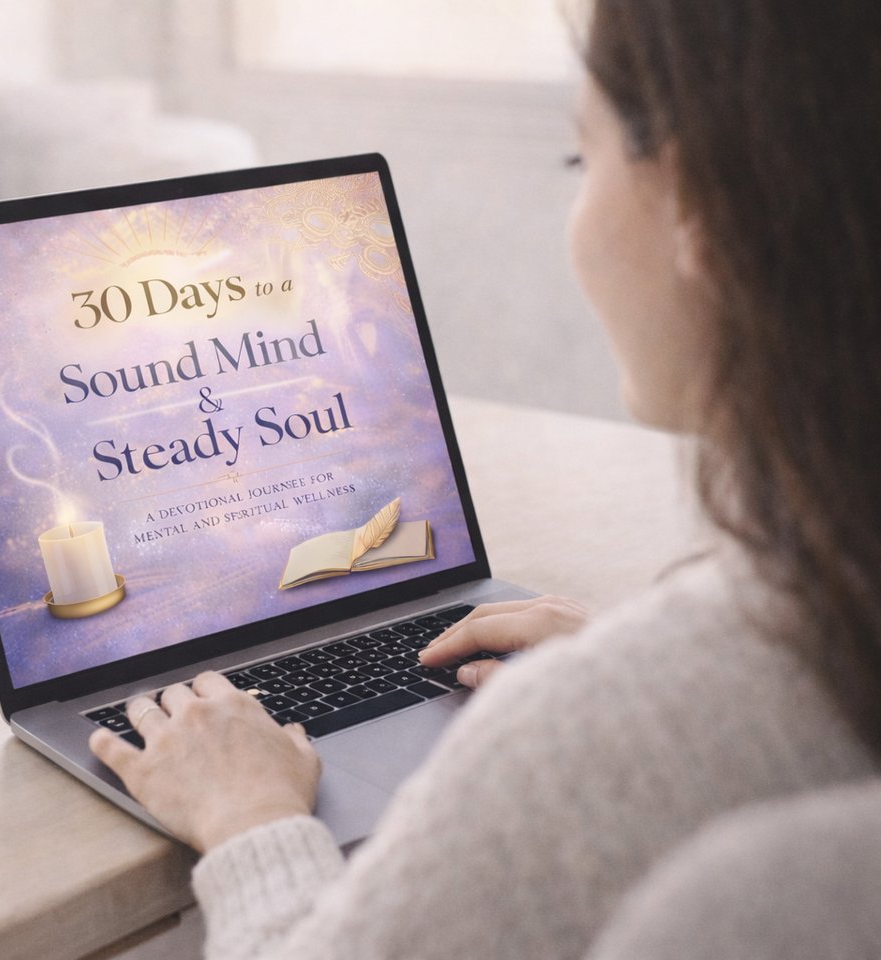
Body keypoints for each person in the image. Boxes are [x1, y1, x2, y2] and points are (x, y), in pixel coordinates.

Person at [87, 0, 881, 956]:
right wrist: (643, 654)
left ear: (698, 214)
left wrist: (251, 815)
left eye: (580, 160)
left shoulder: (601, 735)